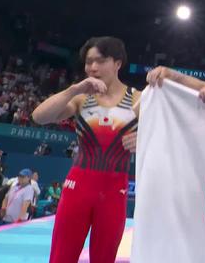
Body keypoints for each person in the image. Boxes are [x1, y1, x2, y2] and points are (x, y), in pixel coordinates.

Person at [32, 36, 139, 263]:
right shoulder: (81, 98)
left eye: (100, 61)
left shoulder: (138, 100)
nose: (92, 67)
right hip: (77, 188)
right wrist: (73, 89)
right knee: (61, 256)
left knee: (104, 258)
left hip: (114, 192)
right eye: (88, 62)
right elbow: (38, 117)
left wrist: (145, 139)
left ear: (118, 63)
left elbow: (166, 139)